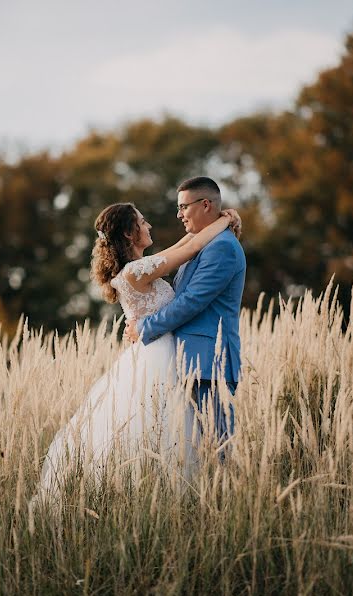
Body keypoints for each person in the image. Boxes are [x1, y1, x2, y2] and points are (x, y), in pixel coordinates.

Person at [36, 199, 241, 498]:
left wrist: (218, 220)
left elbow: (183, 245)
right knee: (162, 425)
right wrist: (225, 221)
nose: (149, 225)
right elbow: (191, 249)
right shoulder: (137, 271)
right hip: (158, 352)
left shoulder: (139, 268)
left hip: (158, 348)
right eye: (143, 222)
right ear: (131, 234)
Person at [125, 176, 246, 462]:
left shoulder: (223, 248)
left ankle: (224, 502)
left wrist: (144, 327)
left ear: (205, 205)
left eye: (183, 207)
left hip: (209, 363)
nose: (179, 214)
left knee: (219, 451)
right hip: (186, 361)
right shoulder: (202, 246)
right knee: (192, 453)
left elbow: (190, 302)